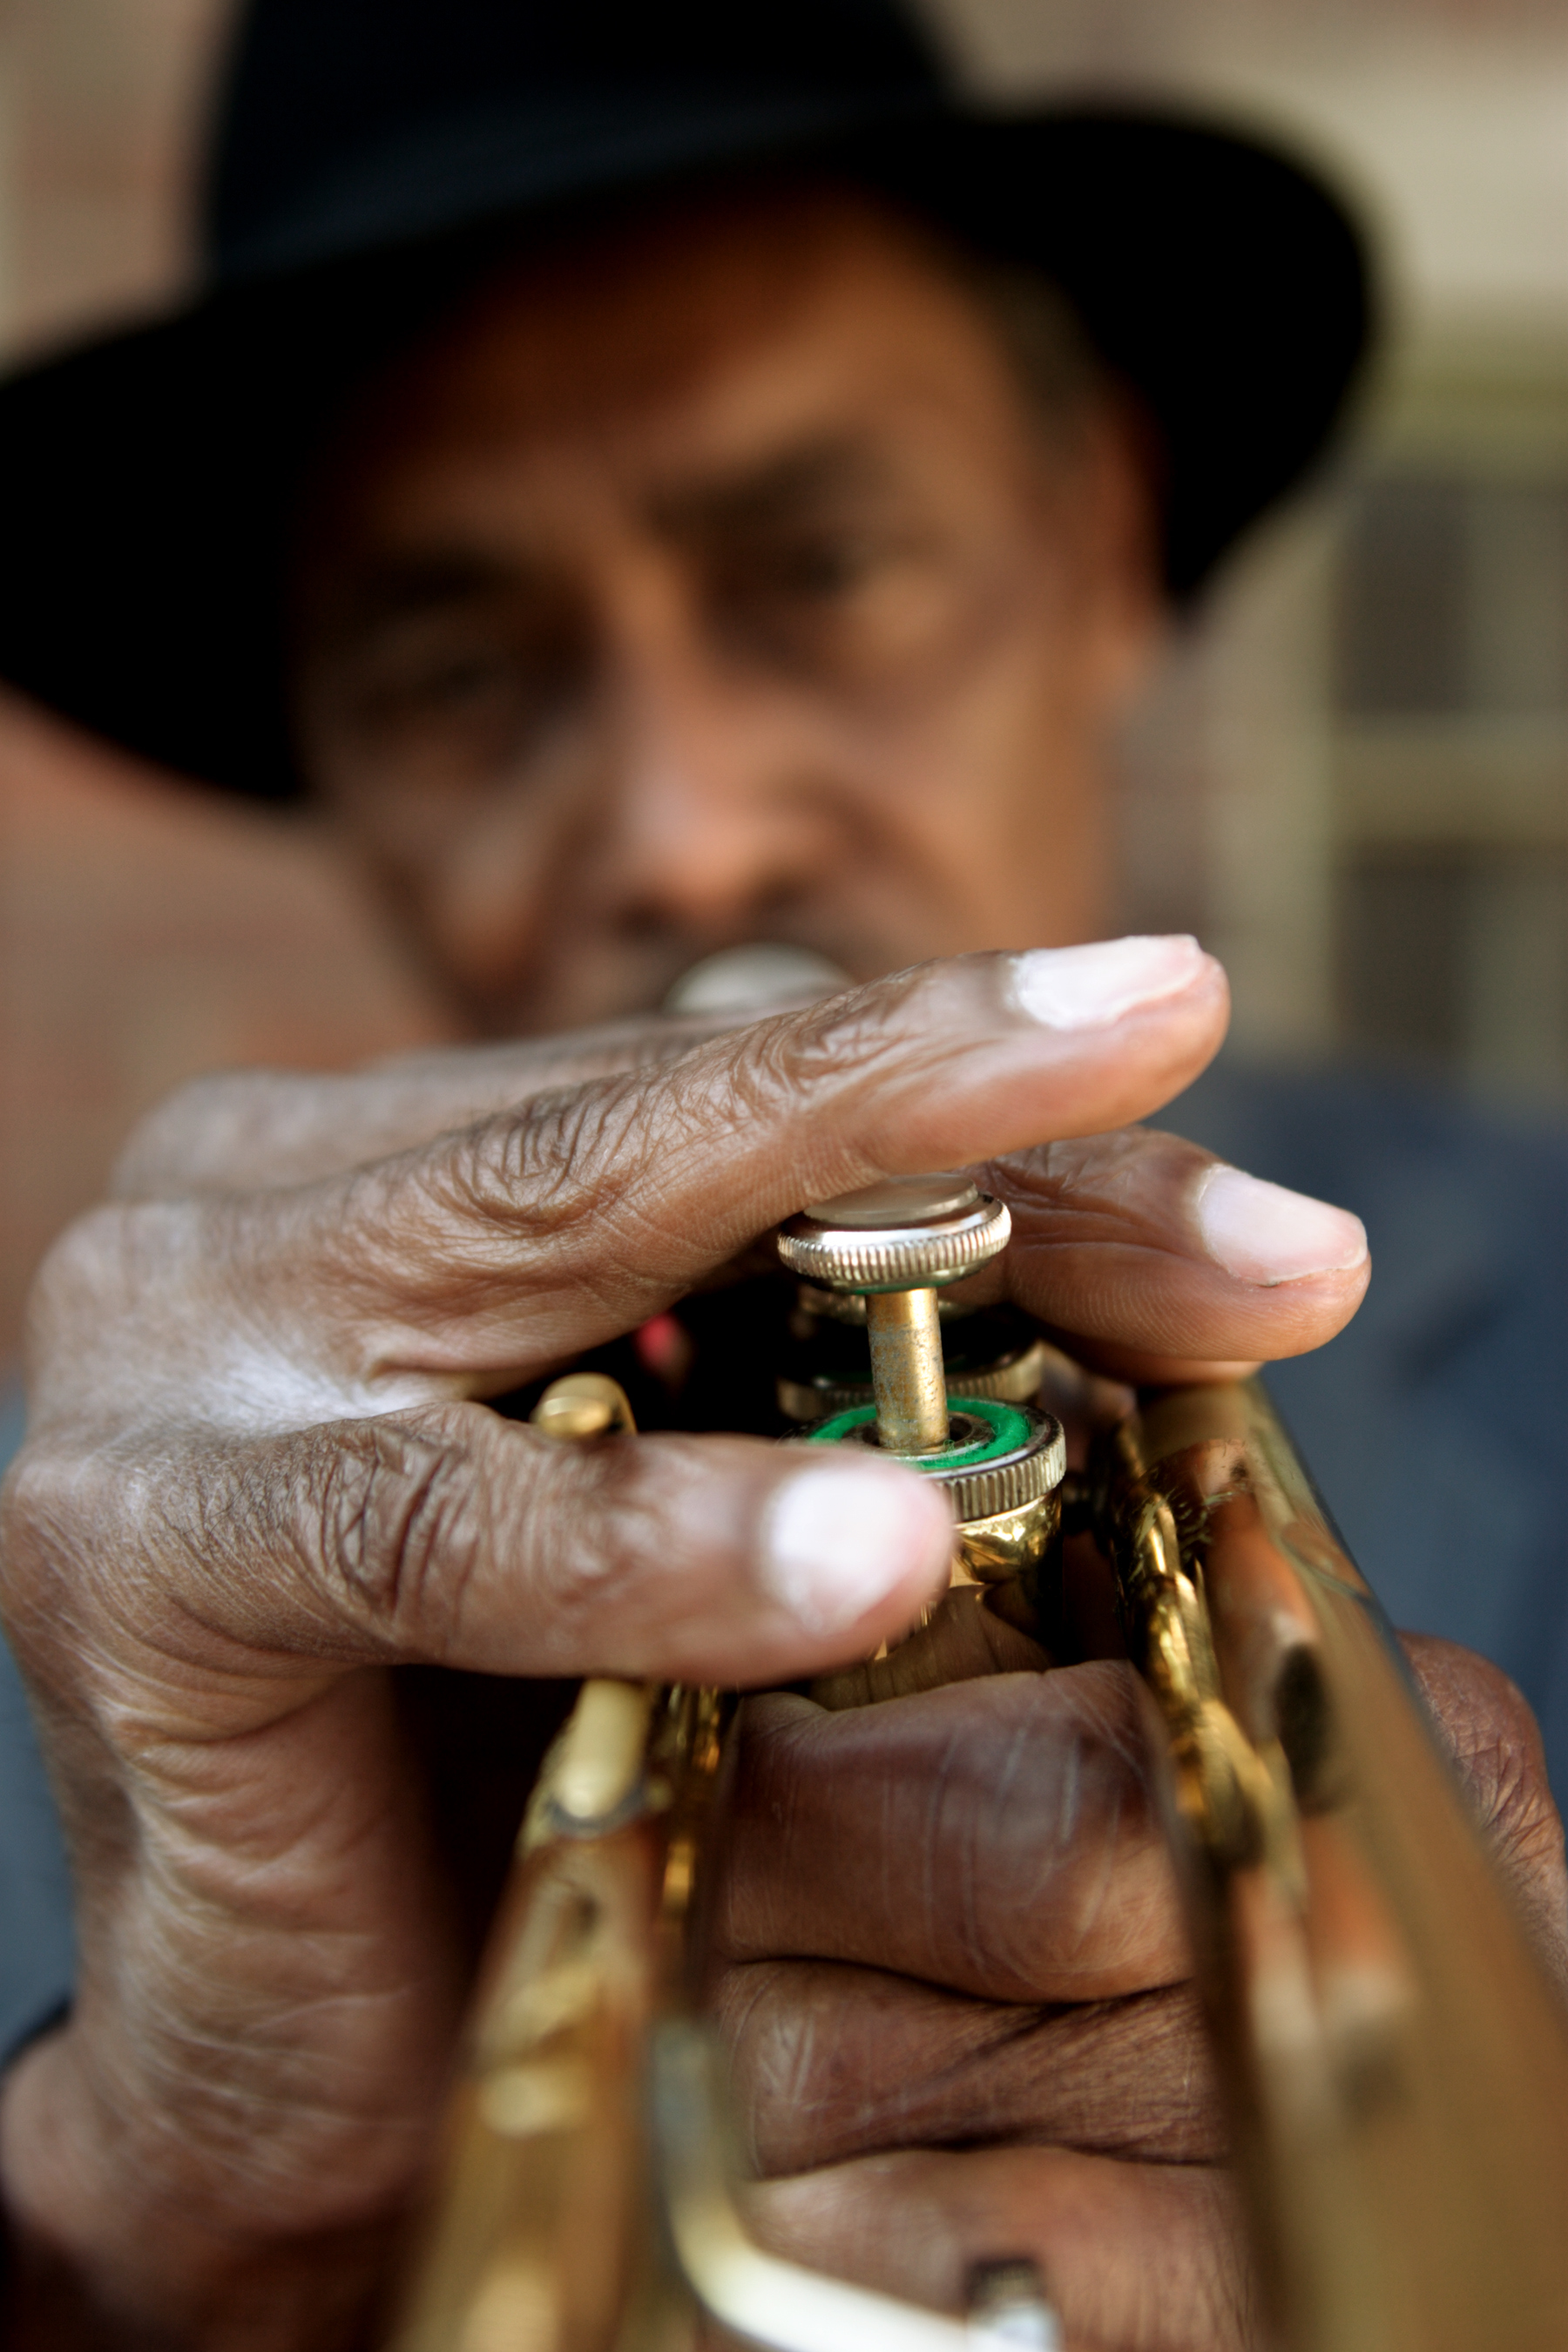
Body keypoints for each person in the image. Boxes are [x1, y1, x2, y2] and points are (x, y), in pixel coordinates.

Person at [0, 3, 1562, 2346]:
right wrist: (142, 2228)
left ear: (1106, 539)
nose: (681, 826)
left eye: (819, 567)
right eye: (457, 674)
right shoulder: (93, 1542)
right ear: (328, 746)